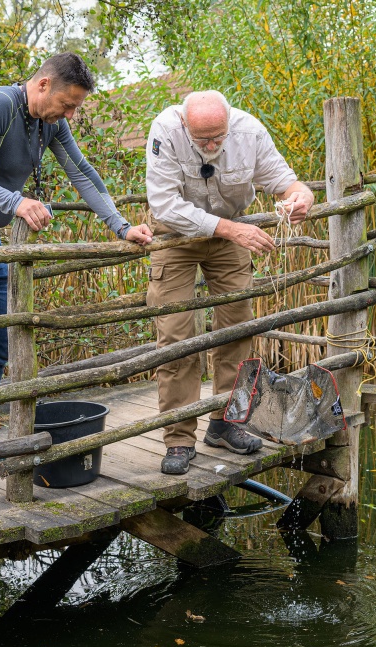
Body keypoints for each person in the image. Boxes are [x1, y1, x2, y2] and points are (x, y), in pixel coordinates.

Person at [0, 52, 153, 495]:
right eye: (68, 103)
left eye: (76, 107)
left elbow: (81, 171)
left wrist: (120, 225)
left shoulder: (50, 123)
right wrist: (15, 202)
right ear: (42, 85)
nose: (71, 115)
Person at [145, 90, 314, 474]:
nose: (210, 146)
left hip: (231, 234)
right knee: (175, 337)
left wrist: (301, 199)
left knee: (237, 328)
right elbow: (165, 205)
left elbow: (289, 184)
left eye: (217, 138)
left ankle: (226, 423)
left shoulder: (249, 131)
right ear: (185, 125)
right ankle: (179, 439)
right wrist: (230, 229)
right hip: (175, 236)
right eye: (201, 140)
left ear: (228, 123)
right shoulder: (165, 131)